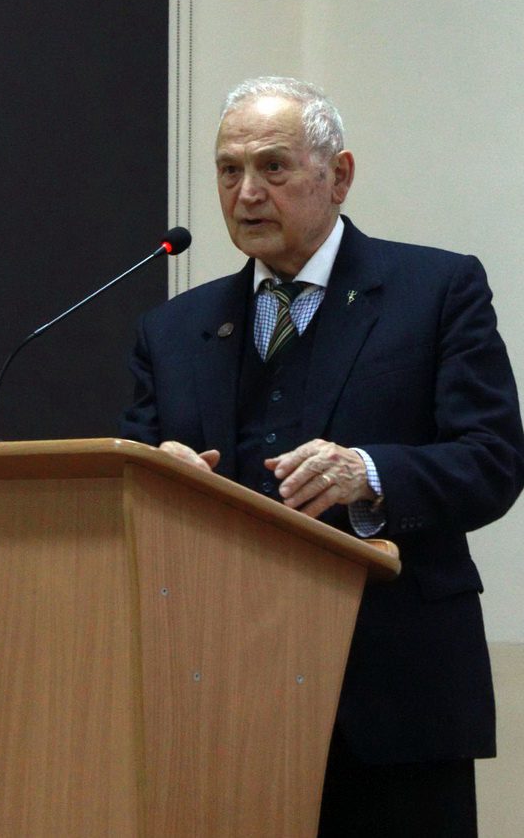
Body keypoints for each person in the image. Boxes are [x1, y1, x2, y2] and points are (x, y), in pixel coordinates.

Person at [118, 76, 524, 836]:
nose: (246, 193)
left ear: (338, 176)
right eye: (229, 170)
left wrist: (367, 474)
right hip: (217, 700)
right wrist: (156, 481)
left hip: (394, 696)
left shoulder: (436, 289)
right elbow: (132, 485)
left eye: (272, 166)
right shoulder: (172, 330)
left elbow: (493, 461)